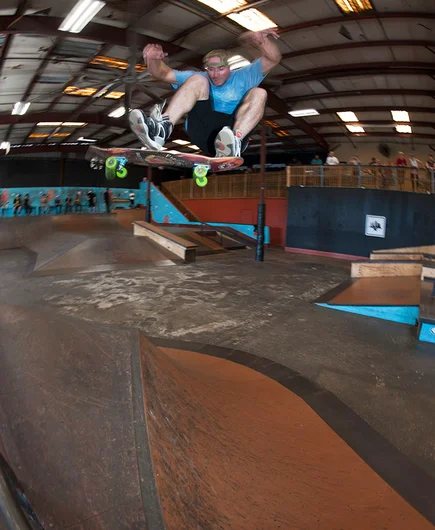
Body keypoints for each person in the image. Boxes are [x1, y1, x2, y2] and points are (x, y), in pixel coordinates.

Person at [129, 29, 282, 157]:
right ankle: (160, 130)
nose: (215, 75)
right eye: (211, 70)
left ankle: (233, 143)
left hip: (231, 129)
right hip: (202, 130)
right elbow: (162, 74)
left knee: (259, 93)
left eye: (221, 69)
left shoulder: (245, 76)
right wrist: (153, 60)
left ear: (230, 67)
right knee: (197, 80)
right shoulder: (202, 76)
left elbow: (273, 59)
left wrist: (260, 41)